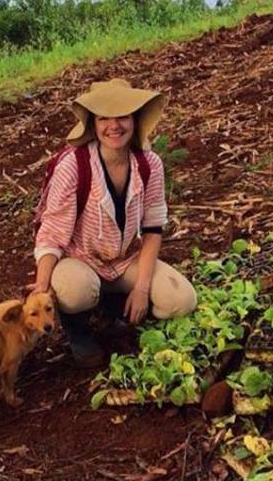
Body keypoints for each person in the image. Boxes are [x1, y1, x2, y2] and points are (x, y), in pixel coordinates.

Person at [31, 79, 198, 367]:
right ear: (93, 124)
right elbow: (53, 233)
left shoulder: (149, 164)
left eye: (122, 116)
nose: (114, 125)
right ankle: (78, 330)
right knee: (73, 290)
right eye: (104, 118)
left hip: (122, 259)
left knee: (181, 300)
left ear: (135, 119)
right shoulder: (74, 165)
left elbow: (152, 229)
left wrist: (142, 288)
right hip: (80, 259)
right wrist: (42, 286)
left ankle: (114, 311)